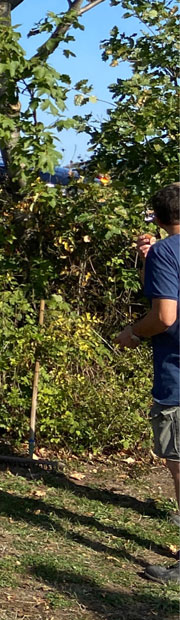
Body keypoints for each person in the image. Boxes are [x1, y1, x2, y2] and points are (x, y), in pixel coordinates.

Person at [115, 182, 180, 583]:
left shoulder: (165, 252)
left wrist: (134, 333)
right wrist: (149, 260)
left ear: (156, 217)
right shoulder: (160, 254)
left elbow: (166, 316)